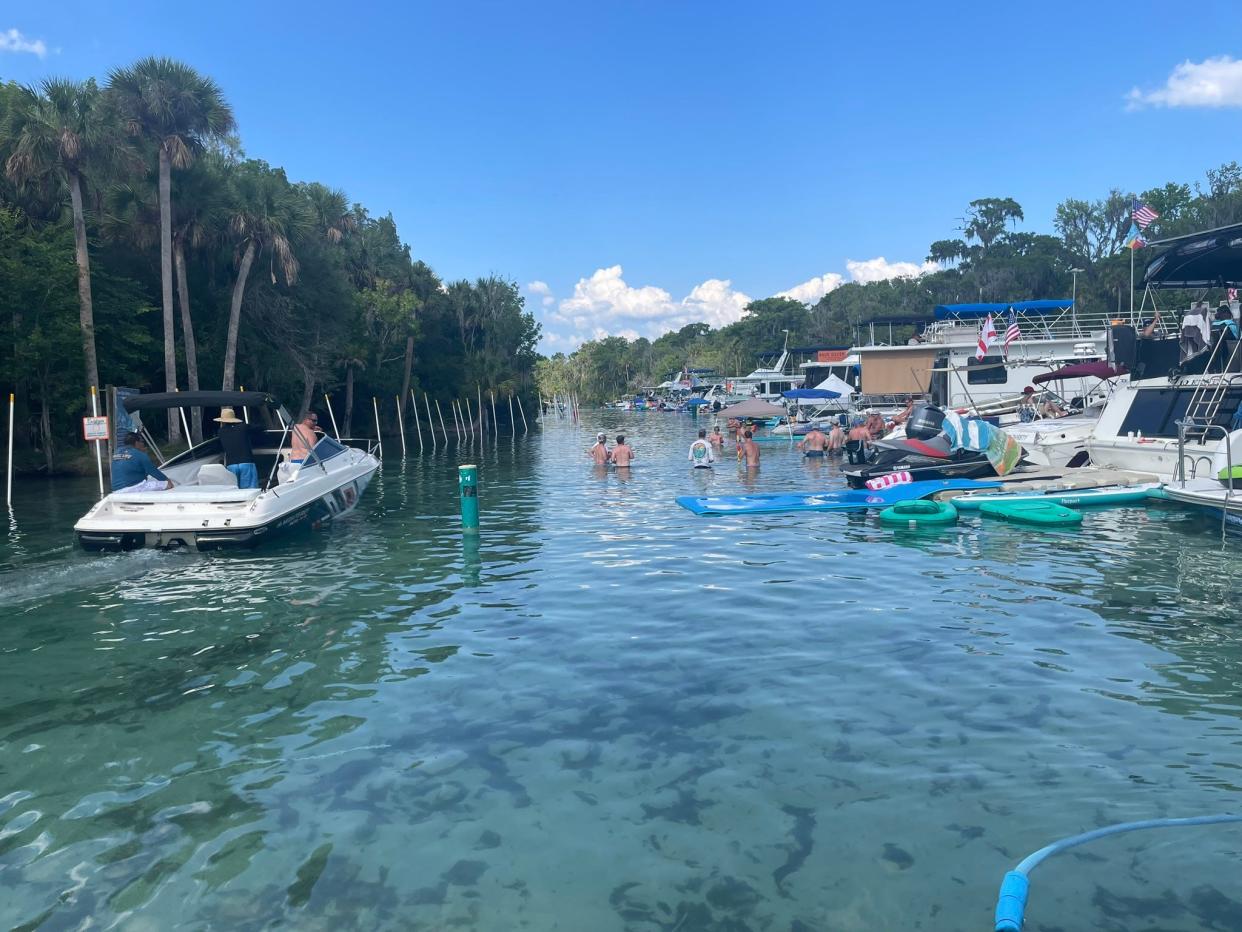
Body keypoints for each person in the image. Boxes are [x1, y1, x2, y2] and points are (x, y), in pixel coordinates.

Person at [215, 406, 259, 489]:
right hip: (246, 462)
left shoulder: (220, 432)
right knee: (249, 490)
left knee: (233, 489)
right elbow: (259, 428)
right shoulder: (243, 427)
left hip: (231, 464)